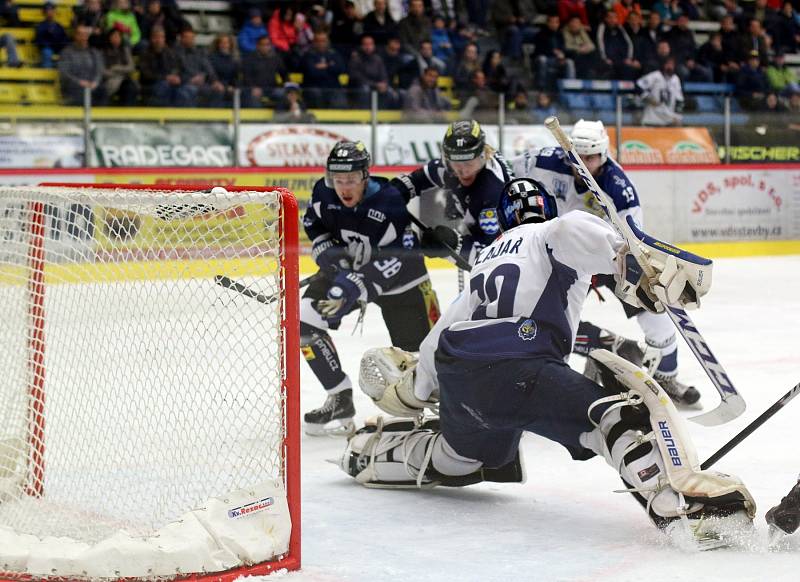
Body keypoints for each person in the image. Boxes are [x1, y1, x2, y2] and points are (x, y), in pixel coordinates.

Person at [341, 178, 754, 547]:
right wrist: (637, 264)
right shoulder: (552, 231)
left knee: (462, 456)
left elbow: (443, 330)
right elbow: (584, 235)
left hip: (459, 368)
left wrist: (414, 392)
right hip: (521, 364)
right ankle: (681, 506)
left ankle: (377, 454)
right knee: (610, 420)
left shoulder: (487, 256)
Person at [511, 119, 701, 407]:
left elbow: (634, 239)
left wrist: (641, 266)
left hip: (609, 257)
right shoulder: (547, 160)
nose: (583, 164)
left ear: (604, 154)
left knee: (655, 311)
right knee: (550, 319)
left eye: (591, 157)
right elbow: (508, 169)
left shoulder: (619, 187)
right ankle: (599, 346)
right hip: (562, 257)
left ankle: (666, 376)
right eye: (579, 157)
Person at [301, 141, 440, 436]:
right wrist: (331, 259)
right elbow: (314, 224)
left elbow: (399, 257)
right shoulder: (323, 193)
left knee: (427, 354)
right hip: (348, 272)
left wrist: (359, 283)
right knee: (302, 322)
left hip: (404, 281)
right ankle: (339, 396)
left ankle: (448, 409)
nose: (344, 187)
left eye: (351, 179)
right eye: (338, 180)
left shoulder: (389, 201)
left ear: (365, 176)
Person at [392, 119, 514, 265]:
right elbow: (419, 178)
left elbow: (495, 257)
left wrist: (454, 244)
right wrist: (395, 190)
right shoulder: (448, 169)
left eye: (469, 162)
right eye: (456, 162)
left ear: (482, 156)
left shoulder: (493, 191)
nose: (463, 171)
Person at [637, 56, 684, 126]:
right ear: (663, 65)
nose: (670, 67)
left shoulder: (676, 79)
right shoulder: (655, 76)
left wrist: (677, 115)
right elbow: (638, 86)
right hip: (652, 117)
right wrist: (647, 97)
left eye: (672, 64)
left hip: (668, 117)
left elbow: (679, 99)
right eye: (668, 64)